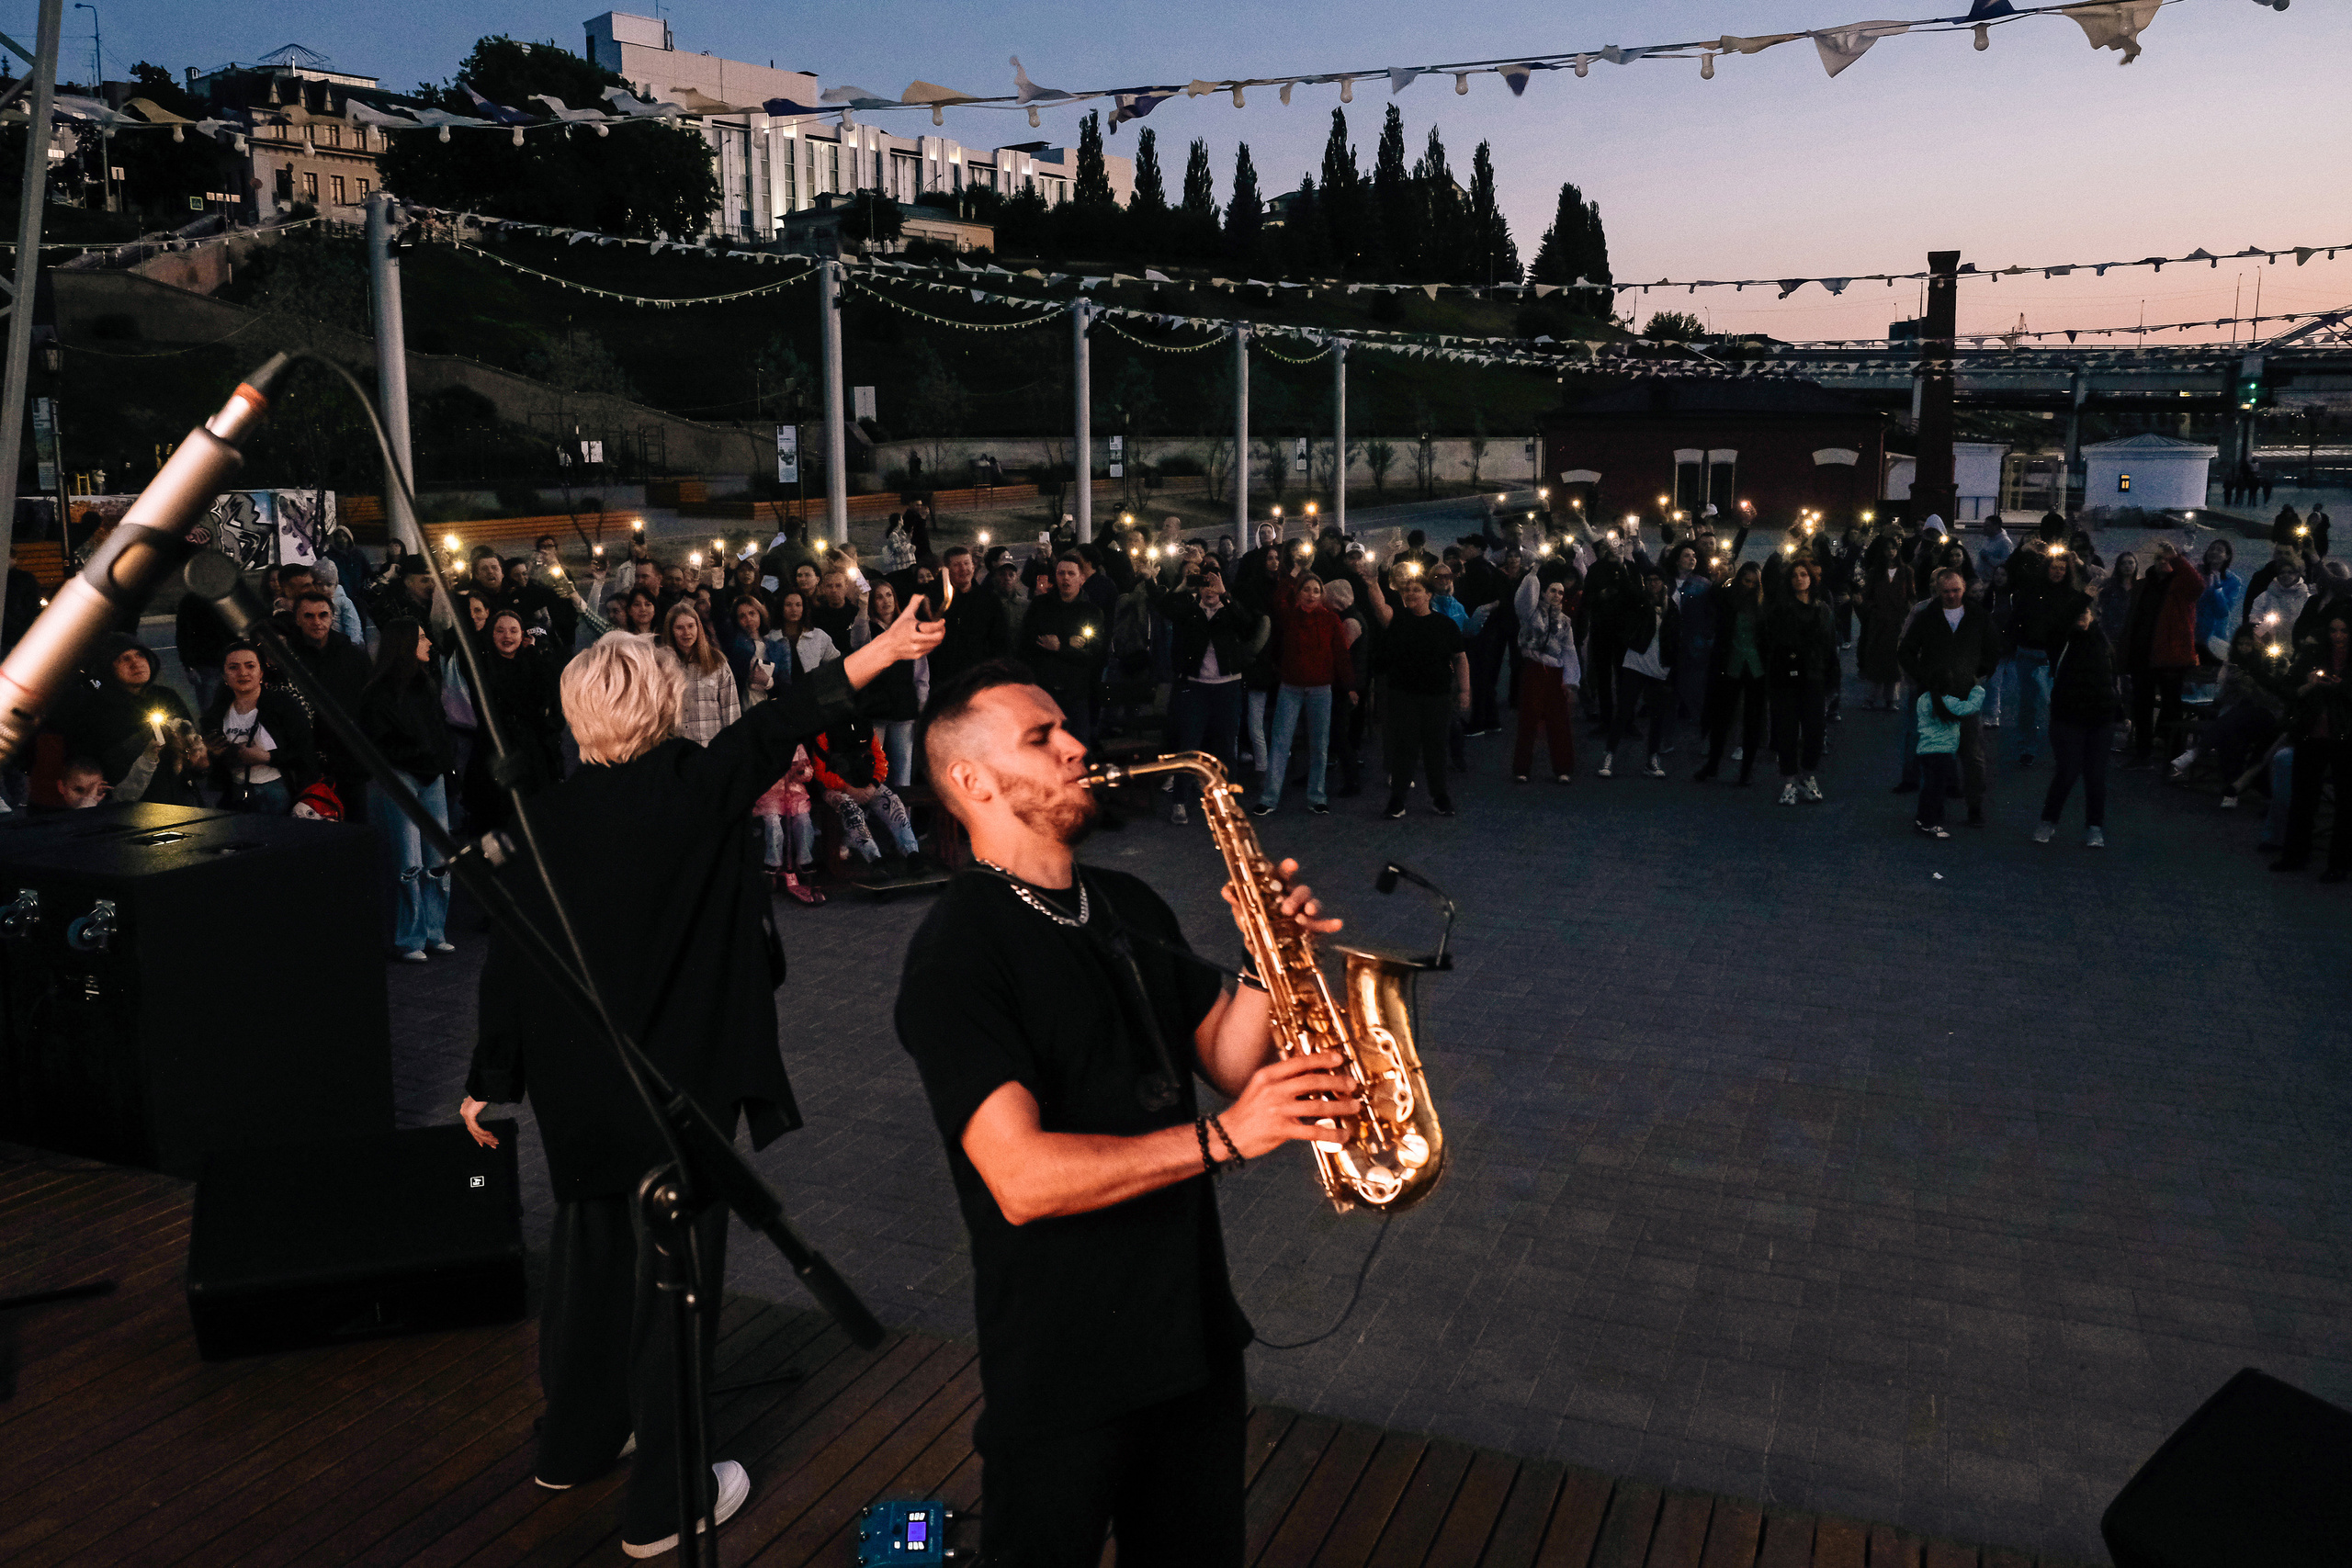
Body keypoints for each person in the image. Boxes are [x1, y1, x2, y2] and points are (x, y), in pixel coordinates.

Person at [459, 605, 941, 1558]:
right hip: (678, 1089)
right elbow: (781, 720)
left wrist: (488, 1078)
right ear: (662, 704)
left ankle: (575, 1442)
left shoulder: (539, 817)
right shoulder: (694, 786)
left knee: (590, 1261)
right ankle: (664, 1504)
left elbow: (510, 961)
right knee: (673, 1285)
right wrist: (883, 649)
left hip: (576, 1088)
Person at [894, 660, 1357, 1567]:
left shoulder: (1124, 902)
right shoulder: (956, 956)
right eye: (1042, 738)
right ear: (971, 781)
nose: (1077, 748)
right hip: (1064, 1364)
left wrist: (1268, 956)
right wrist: (1225, 1141)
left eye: (1067, 729)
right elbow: (1020, 1180)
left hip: (1190, 1336)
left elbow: (1224, 1059)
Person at [358, 618, 458, 962]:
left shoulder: (424, 684)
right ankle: (412, 938)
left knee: (438, 859)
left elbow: (439, 729)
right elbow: (381, 742)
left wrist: (442, 760)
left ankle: (433, 932)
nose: (428, 641)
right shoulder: (379, 694)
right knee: (409, 860)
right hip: (402, 778)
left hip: (430, 775)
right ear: (403, 645)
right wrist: (431, 755)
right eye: (420, 637)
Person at [1357, 559, 1466, 818]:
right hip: (1403, 695)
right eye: (1407, 590)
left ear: (1429, 595)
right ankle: (1398, 800)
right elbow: (1380, 607)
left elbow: (1460, 658)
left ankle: (1439, 796)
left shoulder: (1444, 625)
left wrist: (1464, 691)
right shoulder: (1398, 620)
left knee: (1435, 747)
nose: (1410, 594)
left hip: (1437, 696)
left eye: (1416, 590)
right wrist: (1373, 583)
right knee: (1403, 748)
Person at [1254, 562, 1353, 816]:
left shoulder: (1330, 620)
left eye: (1316, 590)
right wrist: (1293, 574)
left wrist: (1350, 685)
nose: (1311, 594)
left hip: (1321, 688)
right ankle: (1269, 797)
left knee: (1319, 744)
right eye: (1306, 590)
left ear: (1322, 595)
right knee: (1280, 743)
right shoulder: (1289, 617)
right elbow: (1279, 599)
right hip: (1291, 688)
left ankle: (1316, 796)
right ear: (1298, 593)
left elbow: (1341, 654)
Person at [1159, 573, 1257, 824]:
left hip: (1228, 686)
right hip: (1197, 688)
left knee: (1226, 746)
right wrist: (1181, 586)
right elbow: (1166, 608)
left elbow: (1248, 627)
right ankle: (1179, 801)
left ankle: (1228, 803)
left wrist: (1226, 595)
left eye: (1214, 585)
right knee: (1189, 745)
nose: (1210, 590)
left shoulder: (1229, 611)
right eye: (1206, 585)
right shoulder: (1191, 612)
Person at [2271, 606, 2352, 882]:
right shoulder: (2314, 653)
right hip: (2313, 733)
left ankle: (2338, 862)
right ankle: (2295, 853)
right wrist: (2307, 686)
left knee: (2345, 802)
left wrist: (2339, 687)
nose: (2338, 636)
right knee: (2304, 797)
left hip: (2344, 736)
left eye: (2343, 630)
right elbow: (2287, 686)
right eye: (2333, 630)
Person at [2035, 595, 2120, 848]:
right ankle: (2048, 821)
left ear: (2094, 615)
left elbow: (2111, 682)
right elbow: (2062, 616)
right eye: (2078, 613)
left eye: (2086, 612)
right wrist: (2085, 594)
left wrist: (2120, 714)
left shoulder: (2103, 643)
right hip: (2068, 717)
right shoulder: (2063, 640)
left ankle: (2094, 827)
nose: (2081, 617)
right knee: (2068, 772)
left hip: (2100, 718)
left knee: (2096, 776)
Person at [286, 586, 375, 821]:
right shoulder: (288, 657)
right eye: (309, 615)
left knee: (356, 824)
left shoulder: (353, 656)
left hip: (349, 757)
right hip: (307, 759)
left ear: (332, 616)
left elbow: (370, 702)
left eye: (323, 615)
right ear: (297, 619)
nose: (317, 622)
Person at [202, 642, 318, 814]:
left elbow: (306, 751)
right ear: (224, 676)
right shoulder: (217, 712)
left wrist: (268, 757)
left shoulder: (282, 704)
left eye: (250, 666)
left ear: (261, 672)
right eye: (233, 667)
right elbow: (212, 764)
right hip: (236, 792)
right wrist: (214, 755)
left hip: (279, 791)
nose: (243, 673)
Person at [1763, 559, 1839, 806]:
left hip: (1814, 677)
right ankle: (1789, 781)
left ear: (1811, 578)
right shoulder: (1780, 609)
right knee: (1786, 731)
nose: (1799, 579)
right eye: (1795, 575)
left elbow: (1830, 648)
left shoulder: (1823, 610)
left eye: (1804, 574)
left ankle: (1807, 776)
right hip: (1785, 678)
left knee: (1815, 731)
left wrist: (1832, 682)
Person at [2122, 541, 2204, 768]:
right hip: (2143, 654)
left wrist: (2177, 559)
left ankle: (2174, 756)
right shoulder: (2145, 584)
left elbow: (2198, 585)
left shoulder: (2180, 585)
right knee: (2142, 706)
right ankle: (2142, 753)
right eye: (2160, 559)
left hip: (2171, 656)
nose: (2163, 563)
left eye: (2167, 560)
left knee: (2172, 707)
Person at [813, 712, 925, 870]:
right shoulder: (824, 737)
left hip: (866, 783)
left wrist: (873, 785)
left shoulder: (866, 729)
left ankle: (912, 852)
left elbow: (881, 760)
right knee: (851, 810)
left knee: (892, 802)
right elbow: (821, 773)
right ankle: (874, 859)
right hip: (835, 786)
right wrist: (849, 789)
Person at [1020, 555, 1109, 750]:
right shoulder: (1041, 606)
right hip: (1045, 691)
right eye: (1061, 573)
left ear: (1081, 578)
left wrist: (1061, 649)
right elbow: (1028, 643)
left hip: (1076, 693)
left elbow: (1094, 653)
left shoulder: (1091, 612)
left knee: (1078, 747)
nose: (1066, 578)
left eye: (1071, 573)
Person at [845, 578, 928, 785]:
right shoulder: (869, 630)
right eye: (879, 597)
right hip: (876, 708)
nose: (885, 601)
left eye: (889, 595)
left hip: (904, 708)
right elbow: (857, 641)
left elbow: (921, 675)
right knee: (874, 772)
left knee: (902, 772)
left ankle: (903, 817)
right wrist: (863, 606)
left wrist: (922, 706)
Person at [1695, 561, 1769, 786]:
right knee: (1722, 717)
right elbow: (1714, 595)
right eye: (1746, 581)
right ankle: (1714, 764)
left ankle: (1746, 770)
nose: (1749, 586)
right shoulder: (1728, 598)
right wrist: (1723, 576)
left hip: (1756, 667)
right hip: (1731, 663)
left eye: (1754, 583)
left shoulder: (1763, 604)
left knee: (1752, 720)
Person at [1602, 570, 1675, 780]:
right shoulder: (1639, 603)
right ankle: (1609, 754)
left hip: (1658, 667)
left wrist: (1670, 664)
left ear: (1663, 582)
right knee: (1624, 711)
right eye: (1649, 580)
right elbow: (1628, 593)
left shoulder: (1672, 607)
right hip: (1636, 662)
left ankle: (1652, 758)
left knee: (1657, 716)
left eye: (1657, 579)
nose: (1653, 583)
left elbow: (1674, 636)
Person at [1510, 569, 1578, 784]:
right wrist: (1532, 575)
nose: (1556, 595)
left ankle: (1562, 768)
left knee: (1559, 721)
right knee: (1528, 719)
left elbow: (1569, 649)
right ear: (1544, 592)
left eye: (1560, 592)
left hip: (1555, 672)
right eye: (1552, 591)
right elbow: (1522, 599)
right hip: (1534, 669)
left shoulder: (1565, 621)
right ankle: (1521, 768)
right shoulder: (1531, 613)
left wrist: (1571, 680)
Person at [930, 545, 1013, 697]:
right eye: (957, 565)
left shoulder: (988, 600)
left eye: (966, 563)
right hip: (946, 685)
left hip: (979, 684)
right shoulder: (938, 602)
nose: (963, 569)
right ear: (947, 570)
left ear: (973, 566)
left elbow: (1001, 643)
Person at [1912, 672, 1984, 840]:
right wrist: (1978, 688)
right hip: (1943, 753)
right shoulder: (1950, 703)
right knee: (1937, 789)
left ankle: (1922, 818)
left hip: (1925, 750)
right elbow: (1971, 706)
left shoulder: (1923, 700)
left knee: (1929, 787)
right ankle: (1930, 823)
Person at [753, 744, 824, 905]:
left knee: (804, 821)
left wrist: (799, 771)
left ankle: (804, 860)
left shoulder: (796, 745)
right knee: (773, 823)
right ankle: (773, 863)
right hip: (771, 794)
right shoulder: (763, 744)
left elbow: (808, 774)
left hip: (794, 794)